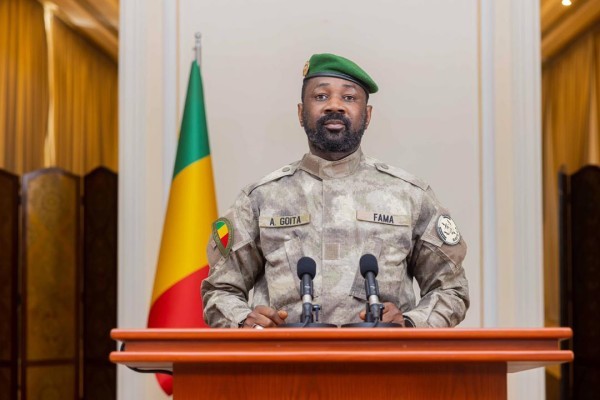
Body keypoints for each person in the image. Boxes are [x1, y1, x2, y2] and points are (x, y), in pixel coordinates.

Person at [201, 53, 469, 329]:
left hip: (384, 355)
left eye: (349, 98)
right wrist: (244, 320)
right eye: (321, 96)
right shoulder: (261, 198)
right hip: (285, 355)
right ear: (300, 113)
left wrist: (410, 324)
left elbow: (451, 289)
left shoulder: (409, 195)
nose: (334, 106)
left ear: (367, 115)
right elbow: (220, 290)